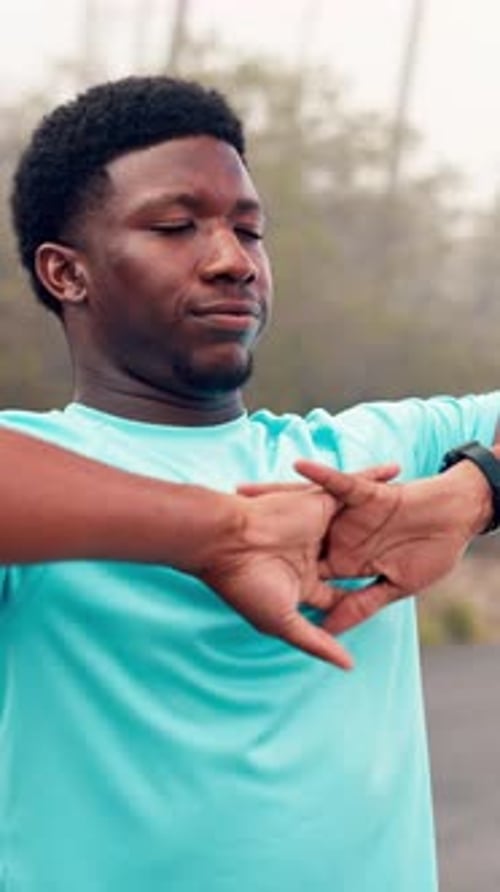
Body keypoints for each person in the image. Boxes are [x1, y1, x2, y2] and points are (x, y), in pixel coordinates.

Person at [2, 74, 499, 892]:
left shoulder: (369, 454)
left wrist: (473, 491)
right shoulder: (37, 474)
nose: (233, 261)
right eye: (175, 226)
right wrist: (220, 534)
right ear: (66, 273)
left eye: (250, 230)